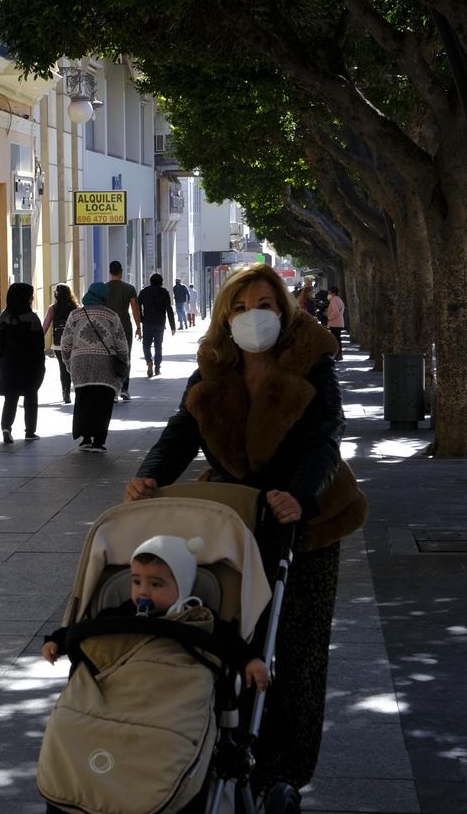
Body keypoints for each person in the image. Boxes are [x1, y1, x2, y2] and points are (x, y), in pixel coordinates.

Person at [123, 263, 366, 792]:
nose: (252, 315)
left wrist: (300, 496)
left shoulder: (312, 361)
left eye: (263, 305)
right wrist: (150, 475)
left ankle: (286, 771)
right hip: (235, 518)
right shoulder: (213, 367)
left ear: (282, 309)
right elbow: (181, 431)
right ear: (225, 316)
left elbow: (326, 435)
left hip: (306, 518)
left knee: (297, 649)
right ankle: (226, 742)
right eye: (240, 307)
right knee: (229, 638)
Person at [40, 535, 271, 693]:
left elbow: (228, 638)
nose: (143, 591)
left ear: (182, 587)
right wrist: (57, 641)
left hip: (173, 683)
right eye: (136, 582)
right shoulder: (123, 613)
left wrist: (249, 660)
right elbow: (89, 628)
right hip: (122, 680)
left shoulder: (196, 616)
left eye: (156, 584)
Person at [61, 282, 128, 452]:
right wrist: (124, 363)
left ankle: (85, 439)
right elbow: (121, 344)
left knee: (83, 400)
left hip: (80, 365)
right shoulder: (112, 316)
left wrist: (68, 363)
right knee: (103, 403)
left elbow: (66, 343)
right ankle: (98, 441)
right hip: (105, 366)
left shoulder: (75, 315)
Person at [0, 282, 46, 444]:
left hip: (9, 364)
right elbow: (39, 345)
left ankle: (6, 428)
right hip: (29, 365)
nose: (31, 298)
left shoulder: (4, 317)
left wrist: (1, 361)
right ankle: (30, 431)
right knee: (31, 396)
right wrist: (40, 364)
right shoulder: (32, 318)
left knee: (10, 398)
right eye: (30, 296)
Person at [104, 261, 142, 400]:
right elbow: (135, 308)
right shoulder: (129, 288)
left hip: (107, 327)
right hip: (124, 326)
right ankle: (124, 389)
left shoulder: (104, 288)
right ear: (121, 272)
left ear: (110, 272)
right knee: (125, 357)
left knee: (109, 357)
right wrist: (138, 327)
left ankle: (113, 390)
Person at [43, 284, 79, 405]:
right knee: (74, 368)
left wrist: (38, 339)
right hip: (74, 344)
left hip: (59, 344)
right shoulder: (75, 307)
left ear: (56, 294)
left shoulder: (53, 308)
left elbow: (46, 325)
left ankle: (66, 393)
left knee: (63, 369)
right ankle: (78, 392)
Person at [137, 273, 177, 378]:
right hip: (160, 323)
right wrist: (173, 326)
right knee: (158, 345)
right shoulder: (164, 292)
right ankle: (157, 367)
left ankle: (149, 361)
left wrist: (141, 318)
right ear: (161, 282)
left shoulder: (144, 292)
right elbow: (169, 309)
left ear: (150, 281)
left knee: (146, 344)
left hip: (147, 322)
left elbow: (137, 306)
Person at [326, 287, 346, 359]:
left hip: (334, 323)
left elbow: (335, 312)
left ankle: (337, 354)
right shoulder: (339, 300)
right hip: (339, 322)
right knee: (338, 339)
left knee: (335, 339)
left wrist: (329, 318)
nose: (329, 295)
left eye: (330, 293)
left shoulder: (333, 301)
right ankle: (339, 354)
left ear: (333, 293)